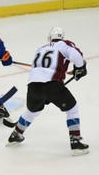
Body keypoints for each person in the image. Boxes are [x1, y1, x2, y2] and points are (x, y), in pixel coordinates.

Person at [7, 27, 89, 156]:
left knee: (32, 111)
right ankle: (76, 142)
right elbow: (76, 54)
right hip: (52, 84)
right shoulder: (64, 44)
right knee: (72, 109)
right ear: (62, 37)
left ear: (49, 38)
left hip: (33, 86)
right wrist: (80, 67)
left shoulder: (40, 49)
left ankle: (16, 134)